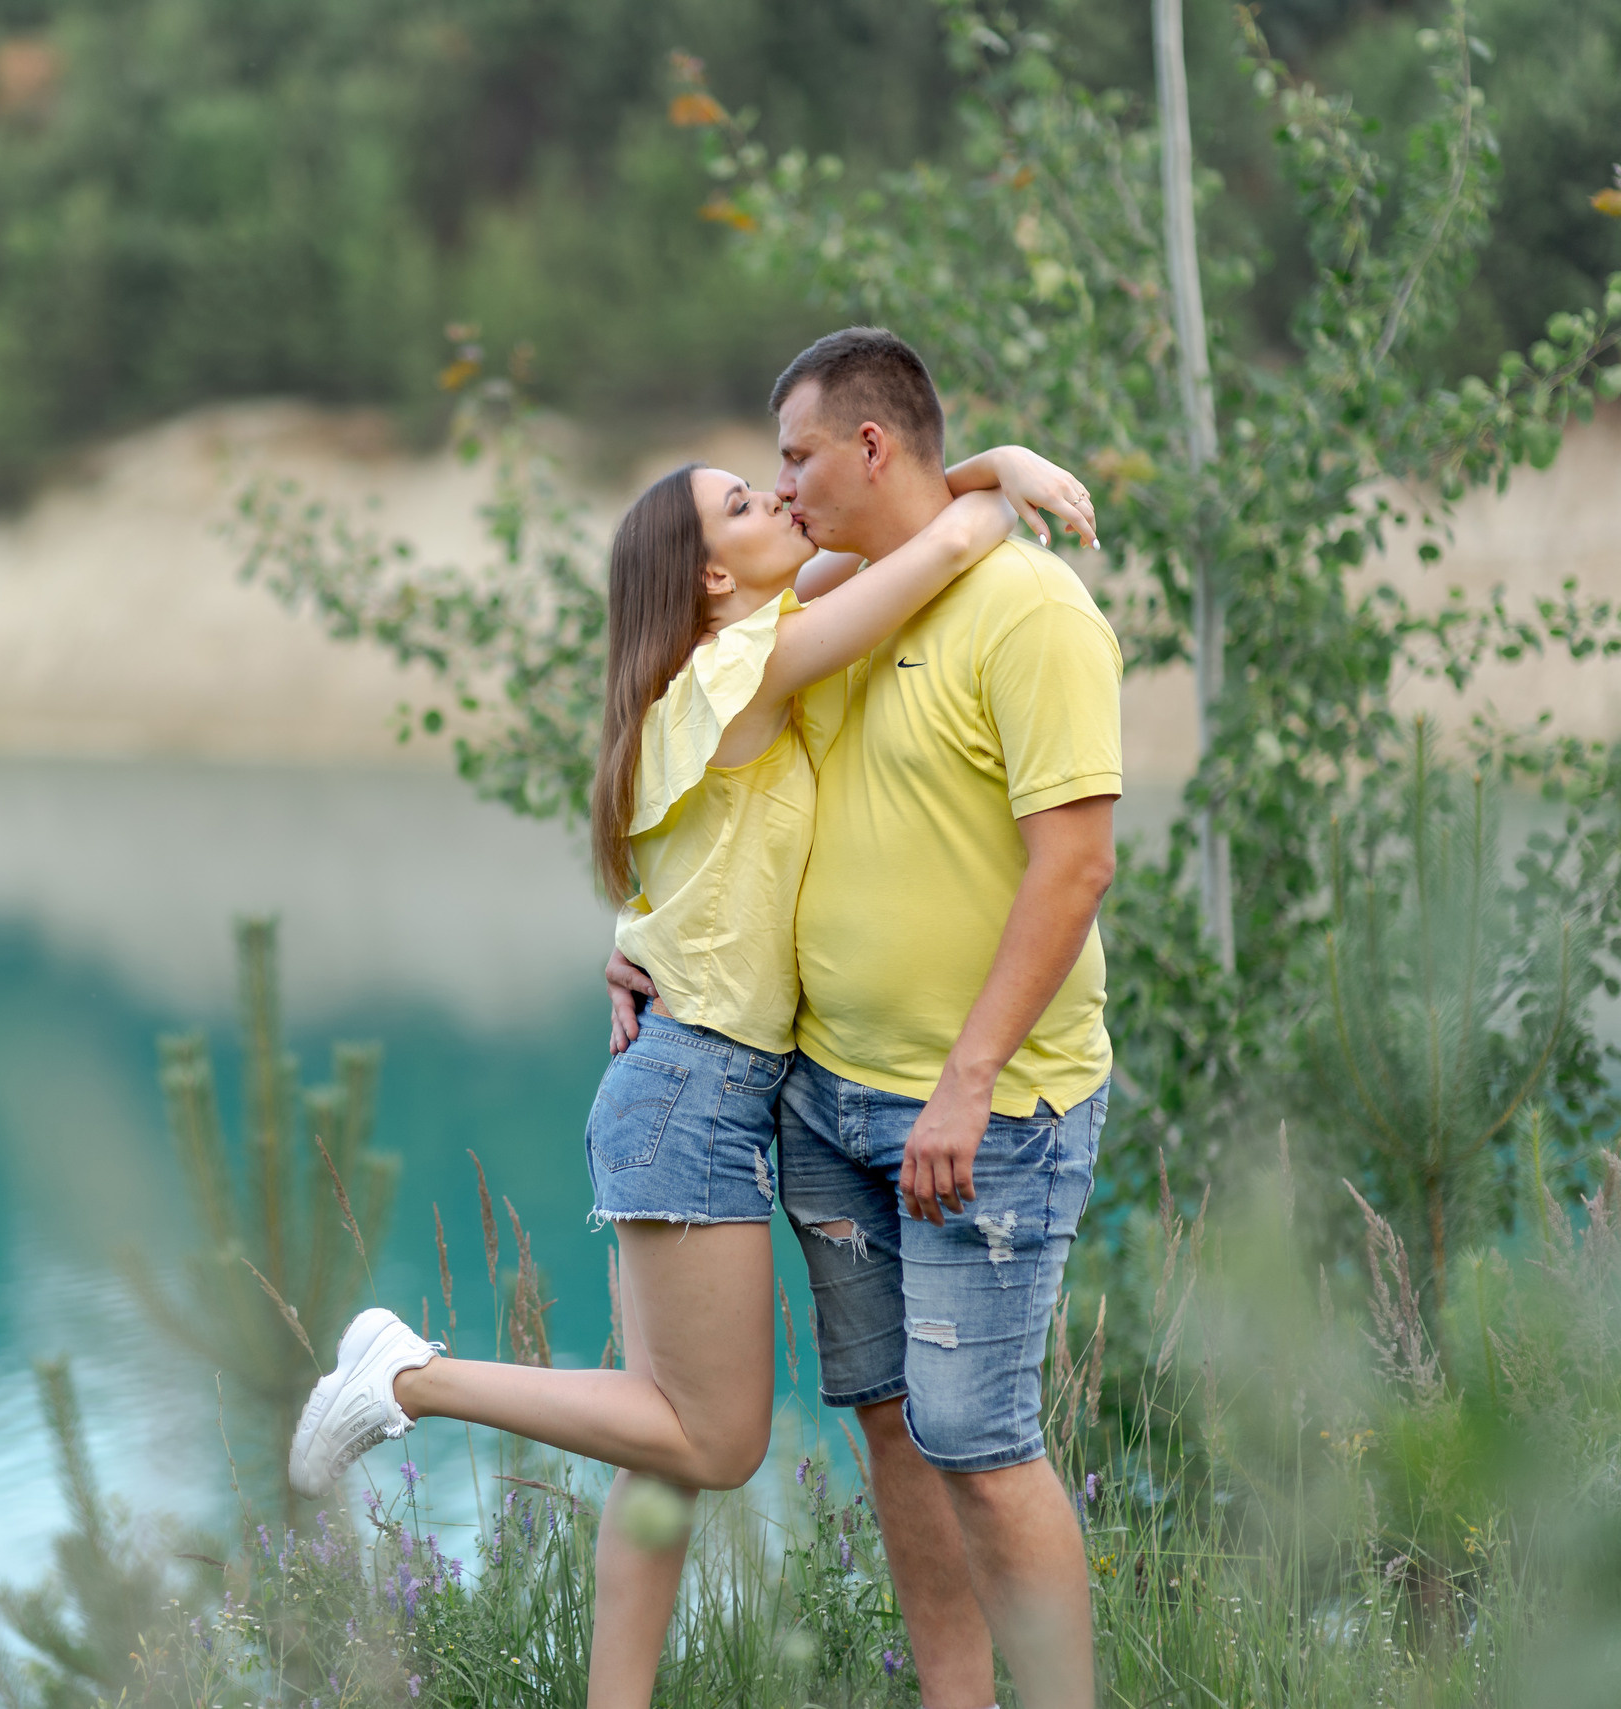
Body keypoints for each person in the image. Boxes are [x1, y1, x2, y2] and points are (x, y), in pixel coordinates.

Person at [288, 425, 1098, 1709]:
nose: (778, 493)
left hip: (684, 1080)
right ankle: (408, 1375)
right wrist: (1007, 467)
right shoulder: (744, 669)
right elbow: (939, 544)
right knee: (713, 1443)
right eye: (743, 498)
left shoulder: (723, 663)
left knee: (653, 1445)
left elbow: (878, 543)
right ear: (710, 576)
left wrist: (972, 470)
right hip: (698, 1094)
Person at [611, 327, 1120, 1709]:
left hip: (983, 1115)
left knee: (982, 1440)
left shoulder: (1030, 614)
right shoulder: (815, 617)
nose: (782, 488)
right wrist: (639, 944)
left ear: (870, 448)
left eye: (793, 457)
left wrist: (967, 1078)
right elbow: (716, 830)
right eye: (761, 477)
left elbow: (1077, 864)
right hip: (825, 1102)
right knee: (895, 1428)